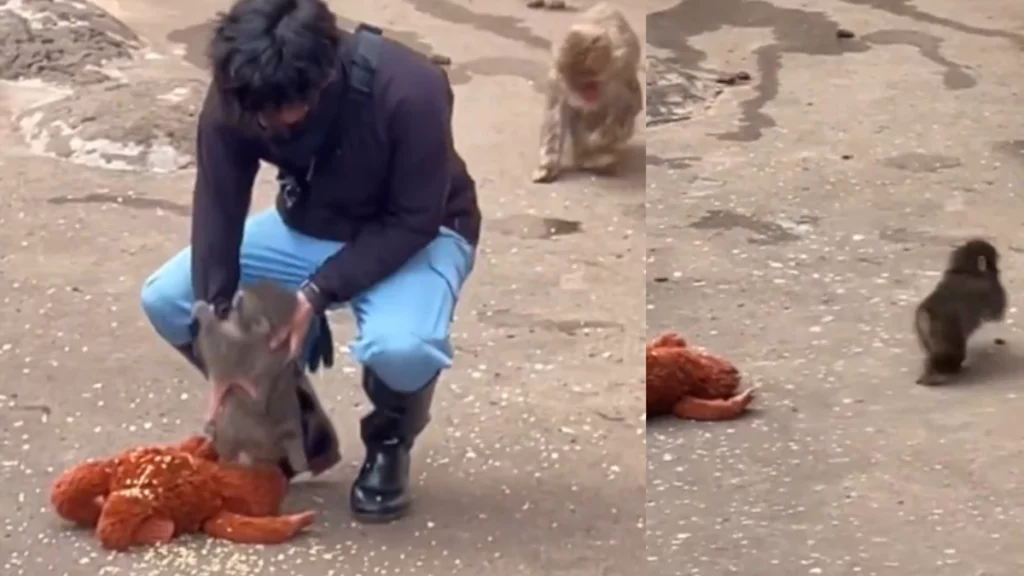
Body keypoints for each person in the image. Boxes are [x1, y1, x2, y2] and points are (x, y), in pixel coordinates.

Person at [138, 0, 481, 524]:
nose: (267, 124)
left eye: (282, 112)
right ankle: (291, 424)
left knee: (402, 348)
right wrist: (221, 331)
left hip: (420, 231)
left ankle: (390, 443)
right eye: (257, 114)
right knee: (169, 299)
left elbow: (414, 218)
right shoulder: (243, 87)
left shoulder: (410, 89)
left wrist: (318, 293)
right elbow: (218, 204)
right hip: (309, 224)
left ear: (324, 78)